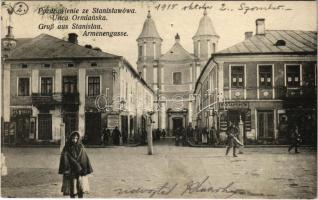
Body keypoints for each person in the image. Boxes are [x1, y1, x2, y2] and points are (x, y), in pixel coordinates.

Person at [59, 131, 93, 198]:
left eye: (76, 138)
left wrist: (84, 169)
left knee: (80, 188)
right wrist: (67, 169)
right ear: (70, 138)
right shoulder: (67, 147)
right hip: (71, 171)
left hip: (80, 171)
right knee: (72, 188)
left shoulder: (81, 147)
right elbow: (64, 159)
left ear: (78, 139)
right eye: (73, 138)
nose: (74, 140)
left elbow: (84, 158)